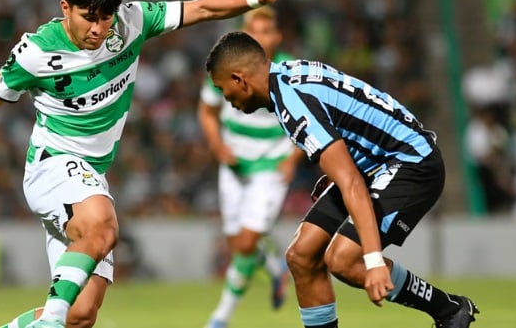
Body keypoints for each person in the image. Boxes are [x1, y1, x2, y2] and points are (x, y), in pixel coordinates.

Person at [0, 0, 297, 328]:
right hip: (54, 163)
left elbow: (202, 8)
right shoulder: (36, 52)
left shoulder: (133, 22)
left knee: (82, 315)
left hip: (91, 175)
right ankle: (50, 320)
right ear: (65, 7)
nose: (99, 29)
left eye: (106, 18)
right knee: (103, 228)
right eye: (89, 18)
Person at [204, 31, 480, 328]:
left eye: (222, 90)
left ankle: (449, 310)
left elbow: (350, 182)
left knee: (344, 260)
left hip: (410, 162)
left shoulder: (293, 103)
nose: (227, 101)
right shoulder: (289, 75)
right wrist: (340, 169)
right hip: (372, 165)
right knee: (301, 256)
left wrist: (373, 262)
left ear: (239, 79)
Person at [197, 7, 305, 328]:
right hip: (234, 165)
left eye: (266, 30)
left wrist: (293, 158)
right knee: (237, 244)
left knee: (244, 244)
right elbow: (206, 111)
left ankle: (220, 318)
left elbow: (309, 120)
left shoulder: (289, 71)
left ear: (277, 36)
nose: (260, 36)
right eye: (253, 29)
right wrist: (218, 146)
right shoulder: (226, 67)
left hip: (271, 166)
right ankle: (273, 265)